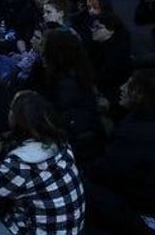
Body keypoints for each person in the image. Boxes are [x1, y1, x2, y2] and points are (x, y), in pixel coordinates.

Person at [0, 90, 86, 235]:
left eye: (11, 108)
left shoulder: (21, 165)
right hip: (70, 230)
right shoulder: (63, 144)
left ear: (17, 120)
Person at [86, 70, 155, 235]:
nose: (122, 88)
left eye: (129, 86)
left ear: (140, 96)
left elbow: (104, 171)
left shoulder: (133, 133)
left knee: (85, 188)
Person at [39, 30, 106, 162]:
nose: (41, 52)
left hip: (78, 149)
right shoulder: (79, 74)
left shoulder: (65, 85)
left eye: (44, 47)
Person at [86, 13, 134, 110]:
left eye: (98, 27)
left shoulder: (118, 54)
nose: (93, 30)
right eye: (92, 27)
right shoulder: (97, 48)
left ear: (111, 30)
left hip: (115, 100)